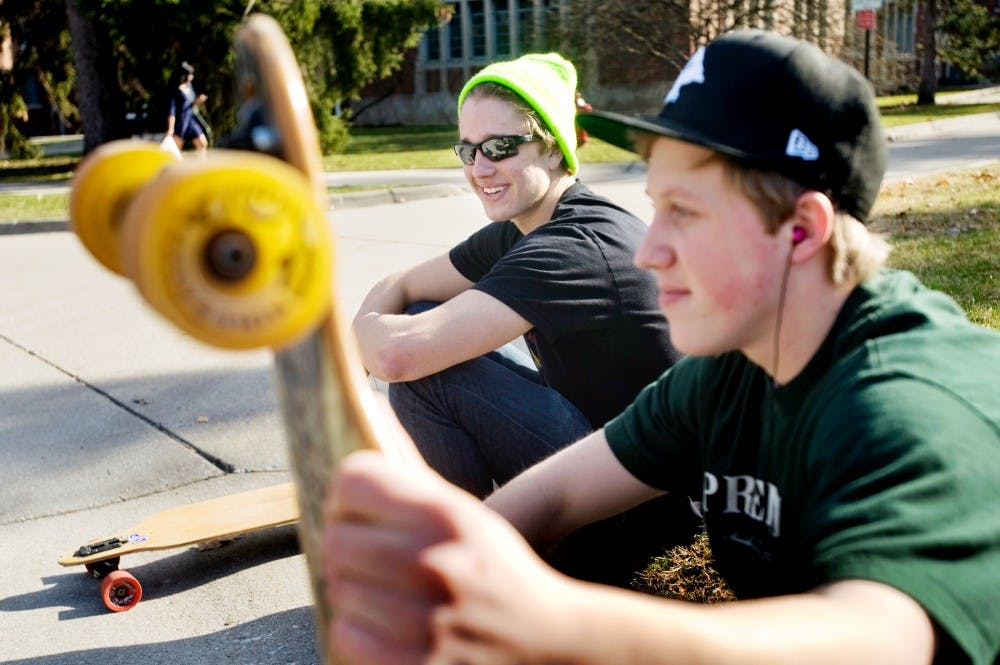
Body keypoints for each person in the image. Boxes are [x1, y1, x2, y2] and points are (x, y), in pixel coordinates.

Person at [323, 30, 1000, 665]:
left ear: (801, 230)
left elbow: (874, 638)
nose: (648, 250)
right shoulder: (728, 372)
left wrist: (550, 615)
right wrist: (442, 565)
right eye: (656, 205)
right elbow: (557, 495)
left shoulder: (903, 404)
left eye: (687, 211)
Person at [351, 53, 694, 584]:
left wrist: (366, 344)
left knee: (432, 365)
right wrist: (370, 334)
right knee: (422, 317)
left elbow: (399, 355)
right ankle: (468, 539)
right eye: (467, 149)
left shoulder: (574, 245)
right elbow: (403, 285)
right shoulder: (526, 227)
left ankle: (455, 566)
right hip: (596, 463)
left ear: (554, 146)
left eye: (500, 147)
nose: (479, 168)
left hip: (633, 514)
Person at [165, 61, 209, 154]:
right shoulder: (174, 91)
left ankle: (201, 167)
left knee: (202, 143)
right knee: (175, 151)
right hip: (180, 123)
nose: (191, 77)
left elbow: (190, 103)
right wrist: (170, 129)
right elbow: (171, 111)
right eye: (190, 75)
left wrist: (197, 101)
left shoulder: (189, 86)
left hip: (191, 121)